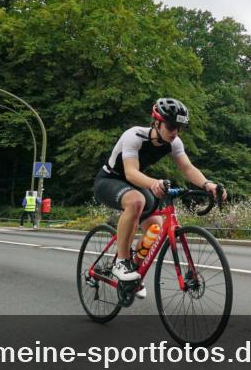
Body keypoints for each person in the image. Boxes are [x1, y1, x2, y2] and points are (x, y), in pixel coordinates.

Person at [94, 98, 226, 298]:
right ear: (156, 122)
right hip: (109, 180)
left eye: (179, 128)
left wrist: (208, 185)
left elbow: (188, 168)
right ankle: (121, 262)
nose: (175, 132)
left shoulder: (174, 143)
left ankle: (133, 273)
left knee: (155, 228)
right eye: (171, 126)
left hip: (136, 184)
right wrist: (153, 183)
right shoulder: (134, 136)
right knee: (136, 201)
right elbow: (130, 173)